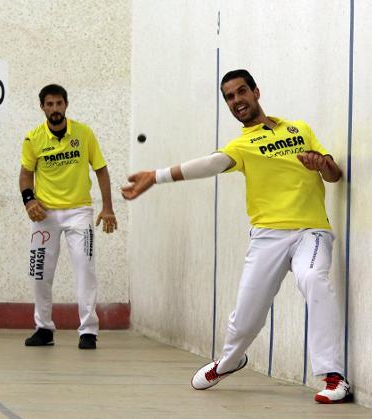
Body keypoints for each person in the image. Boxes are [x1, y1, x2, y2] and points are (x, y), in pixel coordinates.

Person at [121, 70, 350, 403]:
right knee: (245, 317)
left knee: (313, 277)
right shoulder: (242, 145)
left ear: (256, 91)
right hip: (267, 237)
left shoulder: (300, 129)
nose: (236, 101)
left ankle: (333, 377)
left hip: (310, 232)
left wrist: (320, 164)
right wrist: (156, 177)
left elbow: (333, 173)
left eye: (241, 92)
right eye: (229, 97)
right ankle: (230, 361)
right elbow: (211, 164)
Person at [19, 84, 117, 350]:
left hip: (79, 212)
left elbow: (101, 170)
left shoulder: (84, 134)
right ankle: (43, 328)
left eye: (59, 103)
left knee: (85, 269)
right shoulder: (32, 138)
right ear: (42, 108)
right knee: (39, 272)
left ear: (66, 105)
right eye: (49, 104)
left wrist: (107, 207)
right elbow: (26, 174)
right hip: (45, 214)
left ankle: (88, 331)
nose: (55, 109)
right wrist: (29, 201)